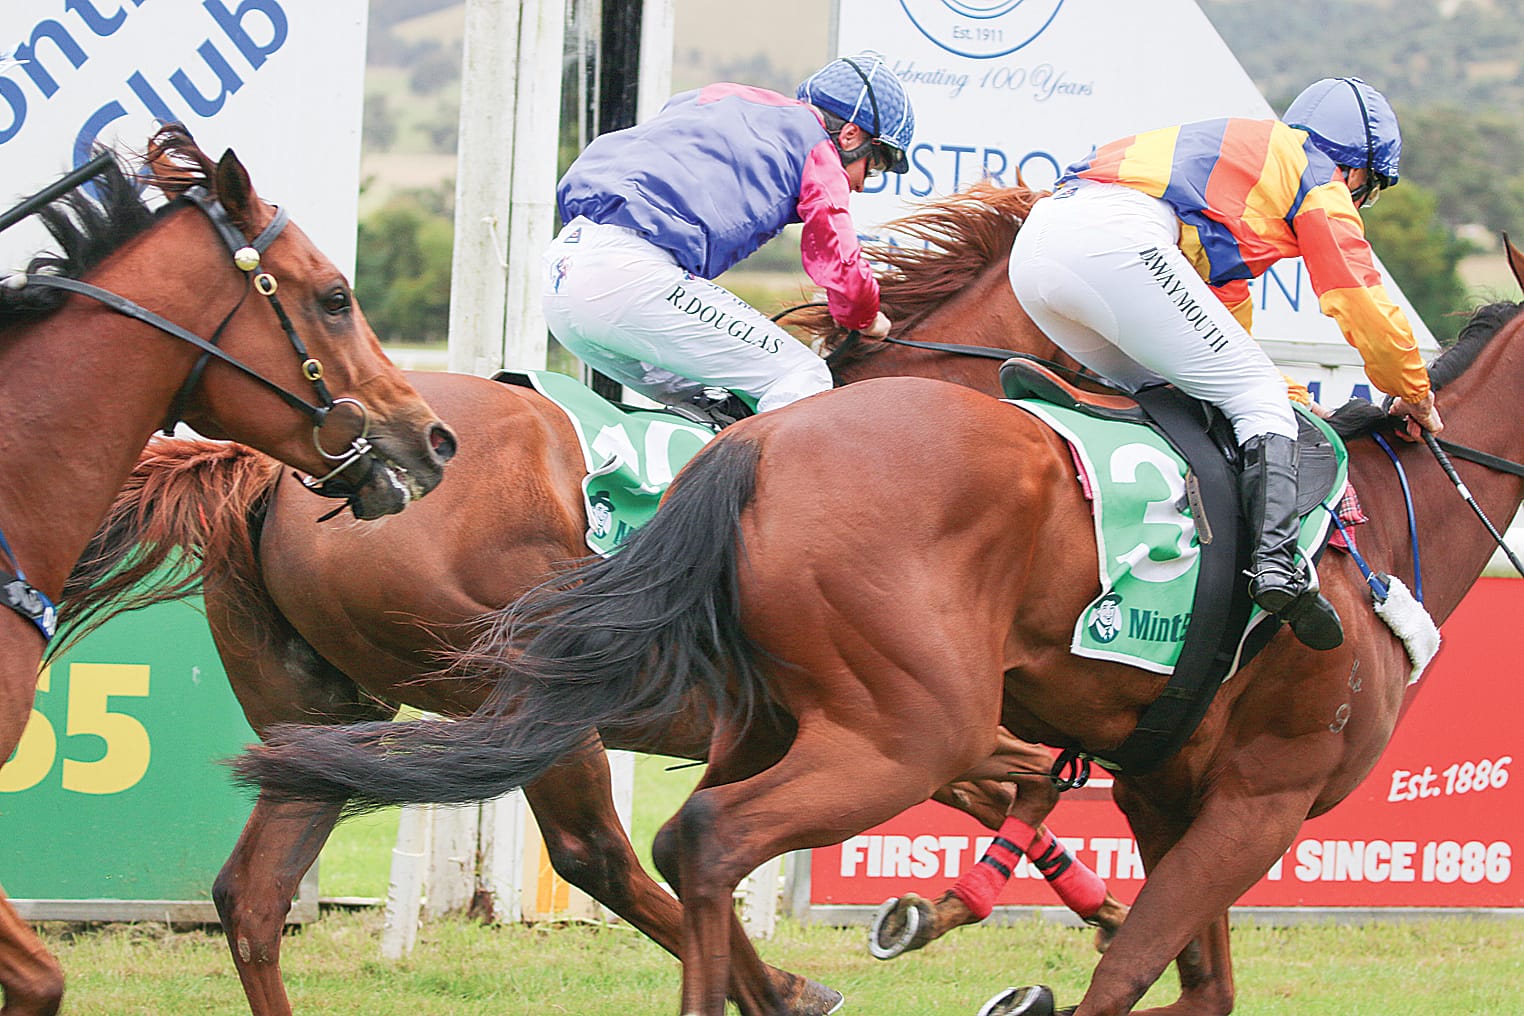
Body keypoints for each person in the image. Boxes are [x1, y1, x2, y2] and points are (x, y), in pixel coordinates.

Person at [1006, 77, 1443, 651]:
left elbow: (1223, 325)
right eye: (1368, 189)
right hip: (1115, 245)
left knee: (1192, 392)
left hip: (1039, 251)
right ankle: (1276, 570)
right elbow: (1355, 294)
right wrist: (1413, 389)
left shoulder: (1246, 175)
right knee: (1255, 397)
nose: (1359, 201)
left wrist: (1289, 394)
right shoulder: (1319, 175)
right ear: (1357, 171)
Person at [543, 52, 914, 424]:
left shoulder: (721, 96)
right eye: (877, 164)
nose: (864, 185)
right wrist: (865, 318)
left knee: (717, 405)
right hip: (629, 280)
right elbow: (839, 260)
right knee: (802, 377)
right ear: (851, 135)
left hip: (562, 276)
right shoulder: (821, 151)